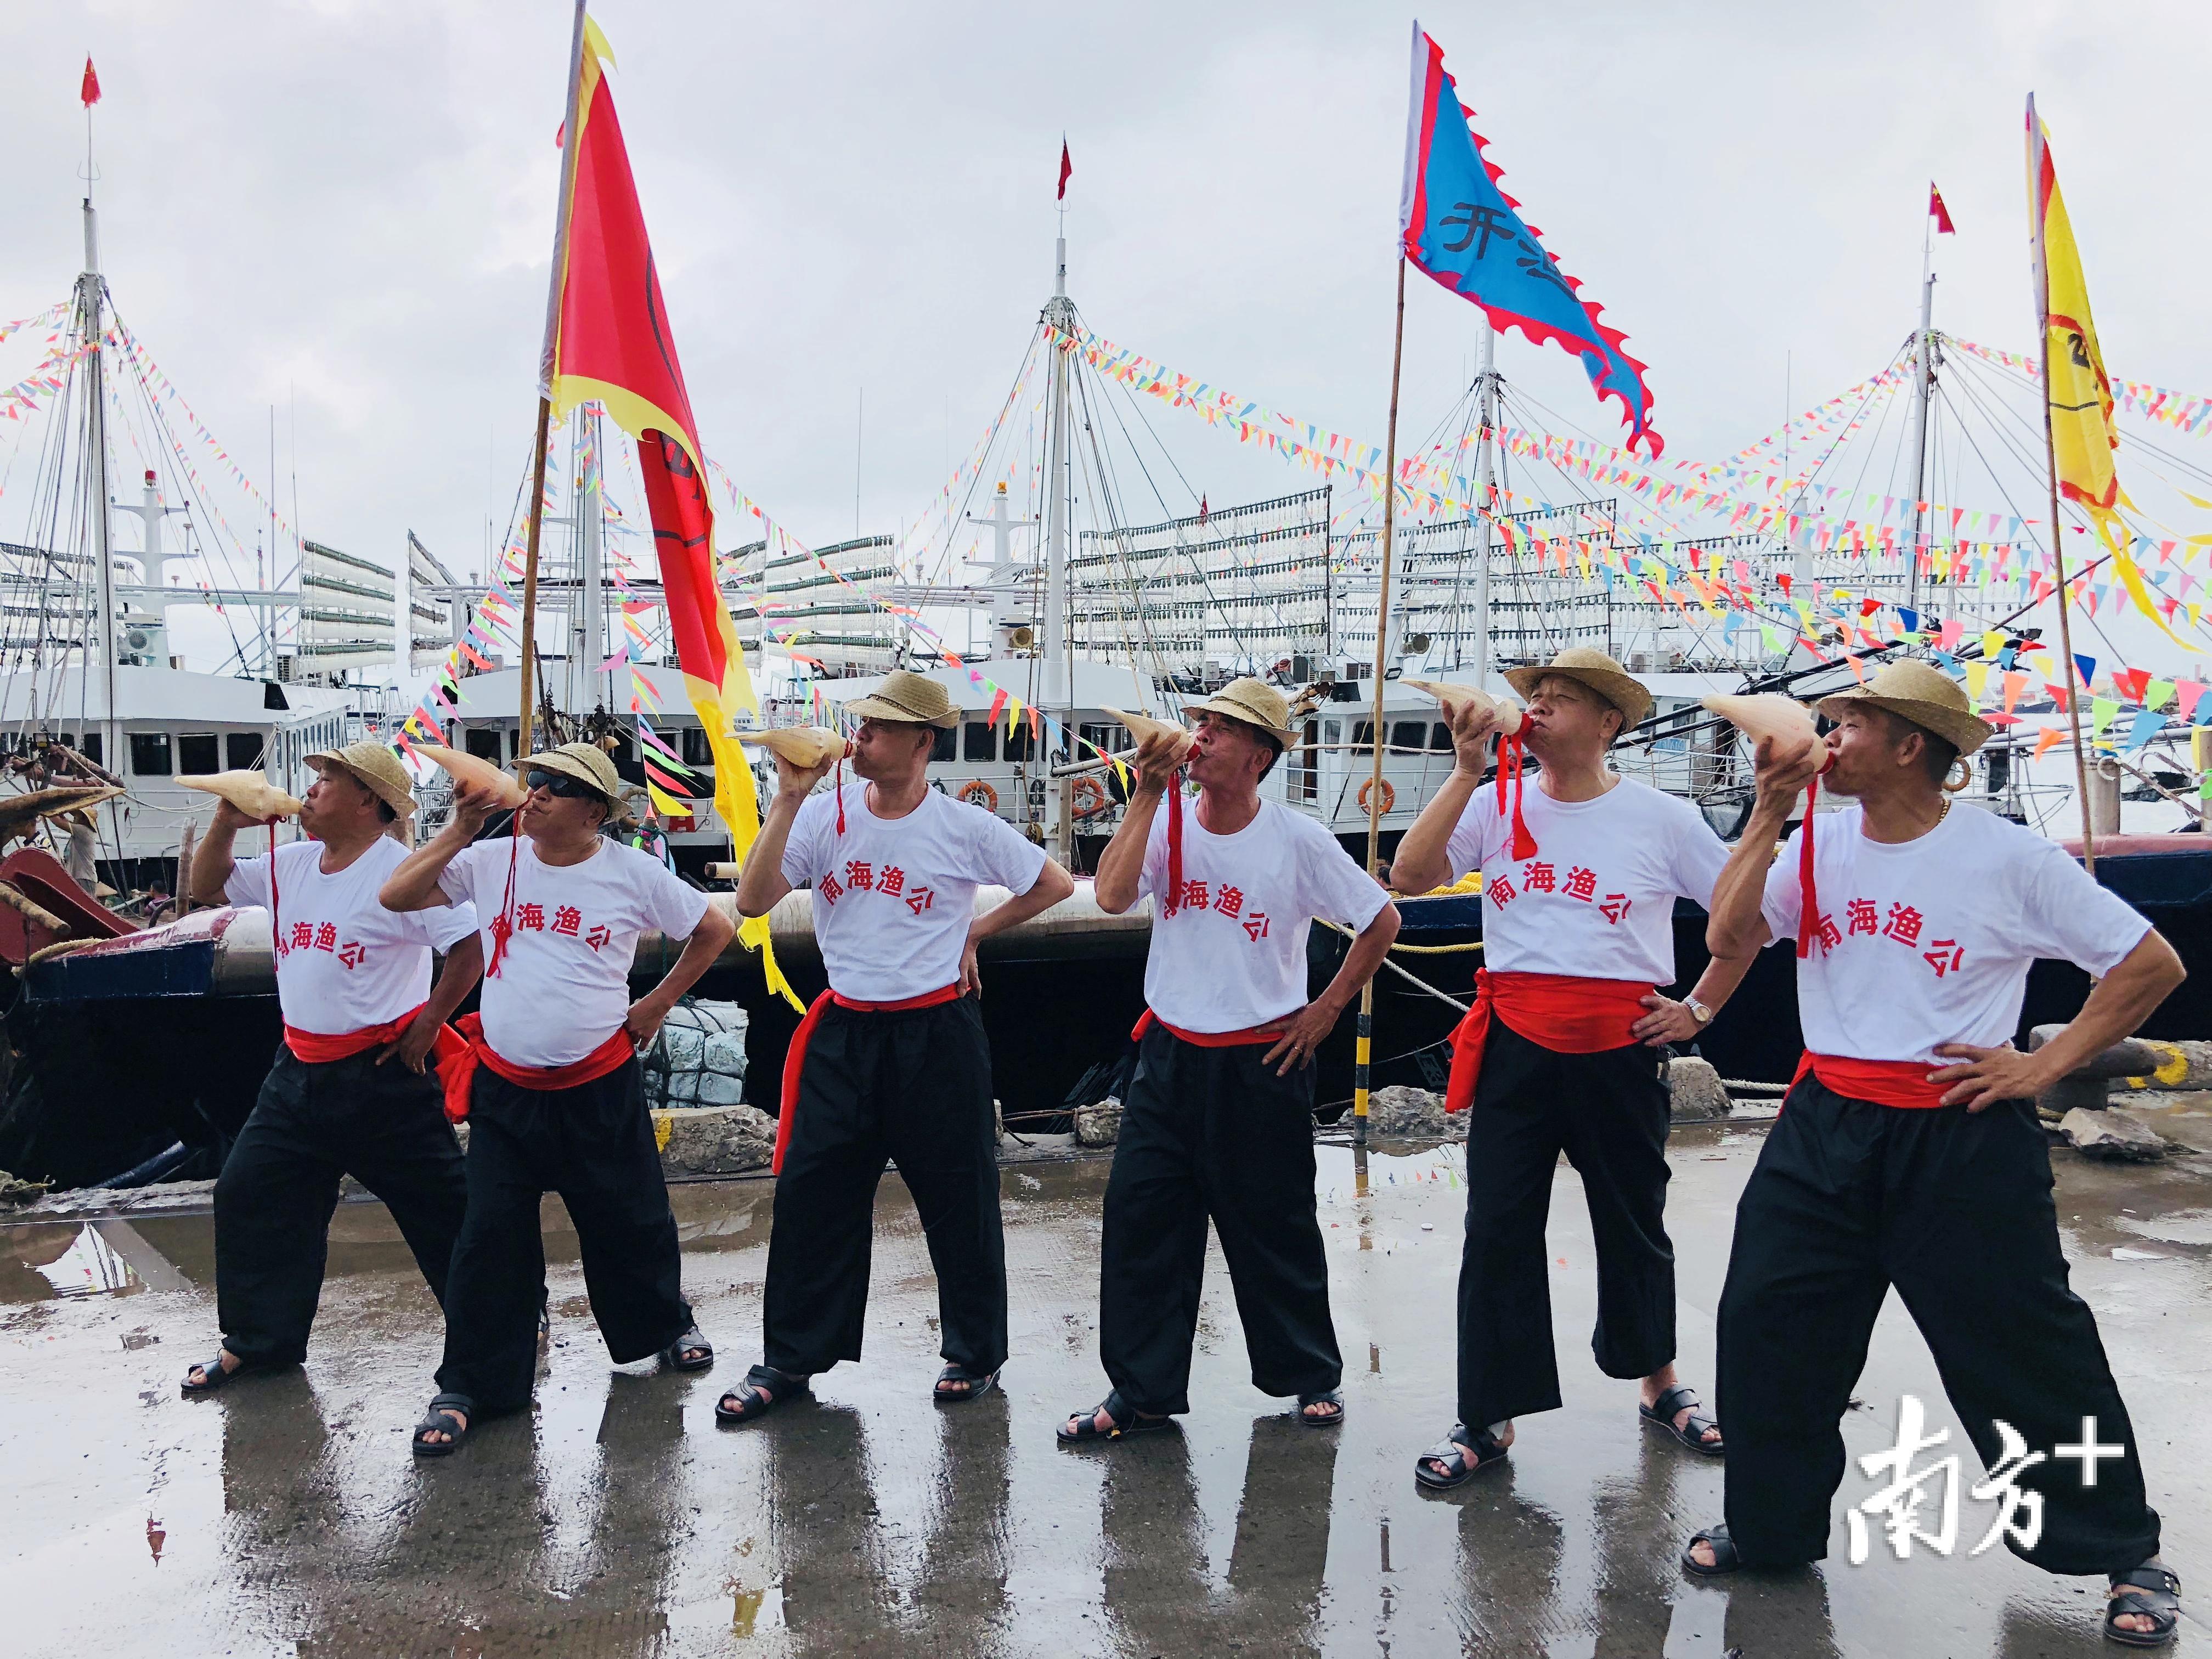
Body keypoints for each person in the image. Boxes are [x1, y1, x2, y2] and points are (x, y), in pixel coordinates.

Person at [1683, 659, 2184, 1649]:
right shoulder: (1815, 842)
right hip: (1825, 1119)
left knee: (2022, 1347)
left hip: (1958, 1129)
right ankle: (1769, 1528)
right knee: (1767, 1326)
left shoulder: (2005, 856)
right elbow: (1728, 931)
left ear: (1910, 745)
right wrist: (1765, 815)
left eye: (1848, 723)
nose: (1826, 739)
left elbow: (2147, 963)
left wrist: (2043, 1068)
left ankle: (2121, 1543)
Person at [1386, 648, 1756, 1487]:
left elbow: (1744, 920)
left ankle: (1657, 1384)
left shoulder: (1661, 819)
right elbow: (1410, 878)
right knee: (1498, 1230)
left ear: (1609, 723)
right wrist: (1464, 769)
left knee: (1633, 1222)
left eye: (1560, 699)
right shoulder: (1495, 800)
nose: (1540, 708)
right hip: (1516, 1044)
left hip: (1620, 1048)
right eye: (1536, 697)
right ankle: (1488, 1416)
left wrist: (1697, 1008)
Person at [719, 669, 1074, 1422]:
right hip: (845, 1031)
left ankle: (973, 1354)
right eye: (862, 725)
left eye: (879, 728)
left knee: (958, 1196)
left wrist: (974, 931)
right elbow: (752, 901)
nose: (861, 738)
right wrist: (787, 797)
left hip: (937, 1033)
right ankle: (790, 1360)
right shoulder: (827, 814)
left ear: (922, 742)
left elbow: (1051, 884)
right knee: (813, 1195)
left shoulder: (961, 826)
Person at [1060, 676, 1401, 1443]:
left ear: (1259, 755)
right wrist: (1146, 794)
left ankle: (1309, 1375)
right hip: (1170, 1059)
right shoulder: (1168, 817)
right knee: (1143, 1223)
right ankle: (1139, 1391)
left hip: (1264, 1062)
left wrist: (1328, 1008)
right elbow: (1112, 897)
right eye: (1201, 722)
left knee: (1274, 1228)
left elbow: (1381, 920)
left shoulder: (1296, 839)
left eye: (1220, 727)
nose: (1201, 735)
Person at [379, 740, 736, 1458]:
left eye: (555, 786)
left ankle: (664, 1326)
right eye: (534, 781)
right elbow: (397, 896)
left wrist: (659, 1004)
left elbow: (713, 930)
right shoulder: (492, 861)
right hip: (507, 1092)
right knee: (488, 1241)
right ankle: (473, 1386)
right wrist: (458, 829)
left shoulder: (631, 872)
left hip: (598, 1085)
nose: (534, 792)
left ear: (594, 812)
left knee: (630, 1222)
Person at [179, 741, 484, 1397]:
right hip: (296, 1072)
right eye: (315, 779)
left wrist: (431, 1023)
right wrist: (227, 823)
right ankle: (262, 1342)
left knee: (444, 1210)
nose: (311, 790)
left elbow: (467, 947)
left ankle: (505, 1323)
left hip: (381, 1076)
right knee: (250, 1194)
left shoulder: (403, 871)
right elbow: (206, 888)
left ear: (368, 801)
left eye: (329, 780)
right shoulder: (290, 863)